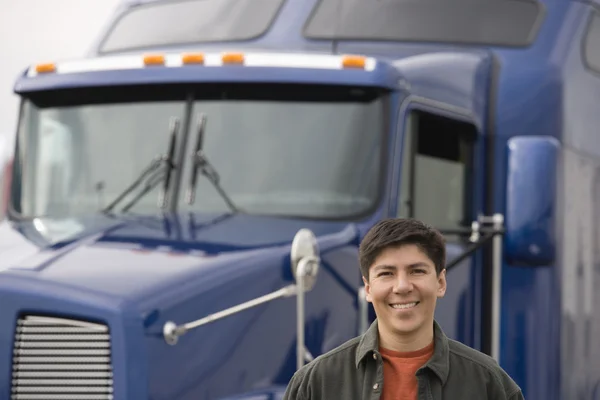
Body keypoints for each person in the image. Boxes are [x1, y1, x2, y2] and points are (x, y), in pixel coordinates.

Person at [283, 217, 524, 400]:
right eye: (386, 273)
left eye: (416, 271)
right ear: (368, 288)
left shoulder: (488, 383)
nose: (402, 286)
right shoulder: (316, 384)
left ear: (440, 283)